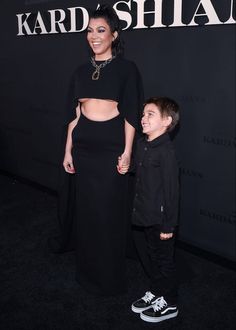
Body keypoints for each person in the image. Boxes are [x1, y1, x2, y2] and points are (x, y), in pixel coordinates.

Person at [60, 4, 143, 296]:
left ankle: (108, 277)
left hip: (110, 149)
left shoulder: (126, 69)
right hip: (83, 149)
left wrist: (128, 151)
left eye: (101, 30)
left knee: (107, 214)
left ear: (114, 35)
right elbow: (75, 115)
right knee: (87, 214)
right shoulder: (80, 71)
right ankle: (87, 272)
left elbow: (132, 113)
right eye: (90, 30)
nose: (94, 36)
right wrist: (68, 151)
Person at [130, 97, 180, 322]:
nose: (143, 118)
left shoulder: (166, 152)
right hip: (146, 214)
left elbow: (171, 192)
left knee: (164, 261)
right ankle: (157, 291)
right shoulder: (142, 144)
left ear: (166, 121)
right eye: (143, 114)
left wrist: (168, 225)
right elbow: (140, 171)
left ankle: (169, 303)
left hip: (162, 220)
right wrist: (126, 165)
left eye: (150, 114)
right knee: (153, 256)